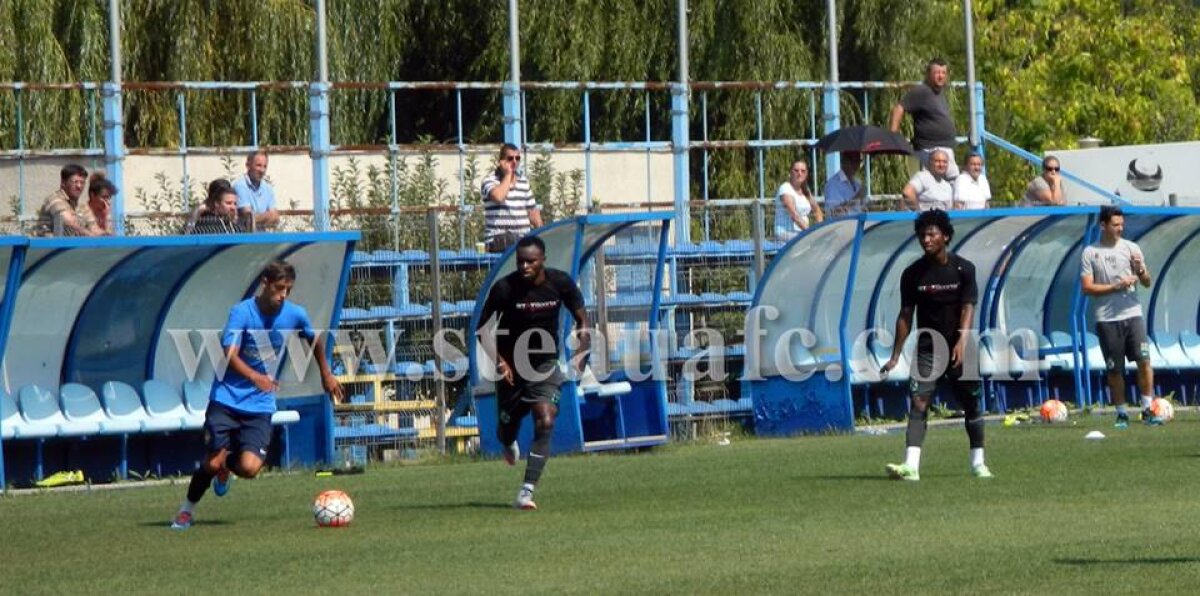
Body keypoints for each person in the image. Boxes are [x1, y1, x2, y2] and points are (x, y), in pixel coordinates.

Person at [171, 260, 344, 530]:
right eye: (279, 288)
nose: (283, 295)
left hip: (260, 405)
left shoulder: (294, 314)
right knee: (211, 461)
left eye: (288, 289)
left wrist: (326, 373)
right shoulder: (241, 312)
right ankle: (185, 511)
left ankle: (227, 465)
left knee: (250, 468)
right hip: (226, 399)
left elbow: (315, 339)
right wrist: (254, 377)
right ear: (265, 282)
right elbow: (228, 354)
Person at [477, 236, 590, 510]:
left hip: (545, 365)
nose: (524, 266)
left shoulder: (560, 283)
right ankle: (507, 440)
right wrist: (501, 363)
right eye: (520, 262)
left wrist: (582, 351)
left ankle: (526, 491)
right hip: (512, 368)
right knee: (507, 428)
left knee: (546, 419)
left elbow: (583, 320)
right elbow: (483, 329)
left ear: (543, 261)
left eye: (530, 261)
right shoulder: (505, 289)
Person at [880, 209, 990, 481]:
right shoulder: (912, 274)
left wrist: (962, 341)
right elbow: (906, 315)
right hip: (929, 348)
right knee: (919, 401)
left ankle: (978, 462)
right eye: (922, 234)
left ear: (946, 236)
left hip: (961, 346)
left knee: (971, 403)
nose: (926, 239)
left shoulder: (964, 269)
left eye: (931, 234)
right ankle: (911, 466)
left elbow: (968, 307)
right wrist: (895, 355)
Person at [1080, 206, 1158, 428]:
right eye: (1115, 225)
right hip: (1107, 319)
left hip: (1133, 314)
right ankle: (1122, 413)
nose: (1120, 228)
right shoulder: (1090, 253)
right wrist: (1116, 286)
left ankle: (1146, 408)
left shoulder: (1132, 248)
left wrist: (1140, 271)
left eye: (1121, 224)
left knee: (1144, 360)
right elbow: (1087, 287)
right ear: (1103, 225)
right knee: (1115, 369)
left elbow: (1147, 281)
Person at [890, 58, 960, 180]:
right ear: (928, 74)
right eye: (937, 72)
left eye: (943, 73)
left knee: (953, 186)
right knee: (929, 187)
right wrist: (893, 134)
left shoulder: (939, 93)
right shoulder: (922, 91)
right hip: (930, 150)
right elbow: (899, 108)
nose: (941, 76)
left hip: (945, 149)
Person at [481, 143, 543, 253]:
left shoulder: (523, 182)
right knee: (513, 243)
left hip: (521, 239)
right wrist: (508, 174)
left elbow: (533, 212)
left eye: (517, 158)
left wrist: (541, 232)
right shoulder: (490, 181)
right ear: (501, 161)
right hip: (498, 240)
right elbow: (498, 197)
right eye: (510, 158)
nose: (514, 161)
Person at [35, 164, 106, 237]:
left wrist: (106, 236)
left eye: (82, 182)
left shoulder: (82, 207)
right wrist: (91, 236)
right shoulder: (54, 200)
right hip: (46, 246)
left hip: (71, 246)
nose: (79, 186)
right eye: (75, 182)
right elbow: (70, 223)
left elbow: (94, 228)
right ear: (63, 183)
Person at [774, 160, 824, 241]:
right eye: (796, 170)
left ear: (806, 173)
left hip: (802, 232)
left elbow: (817, 210)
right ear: (790, 172)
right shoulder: (785, 188)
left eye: (803, 171)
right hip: (785, 233)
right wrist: (810, 232)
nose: (800, 173)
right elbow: (794, 215)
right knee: (811, 241)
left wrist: (820, 229)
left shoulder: (806, 190)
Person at [233, 151, 280, 230]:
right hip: (243, 237)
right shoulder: (240, 186)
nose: (262, 170)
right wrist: (268, 216)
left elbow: (276, 218)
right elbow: (248, 217)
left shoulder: (267, 188)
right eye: (258, 165)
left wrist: (256, 218)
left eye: (265, 166)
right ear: (248, 166)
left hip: (262, 238)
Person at [187, 179, 253, 234]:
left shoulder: (234, 226)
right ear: (217, 204)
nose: (233, 207)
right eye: (228, 203)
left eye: (235, 204)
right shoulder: (208, 223)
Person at [823, 152, 866, 216]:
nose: (857, 165)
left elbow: (863, 208)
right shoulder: (833, 185)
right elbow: (834, 213)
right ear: (844, 161)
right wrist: (856, 198)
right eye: (853, 161)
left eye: (859, 161)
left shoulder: (858, 183)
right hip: (843, 225)